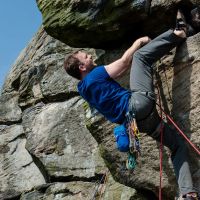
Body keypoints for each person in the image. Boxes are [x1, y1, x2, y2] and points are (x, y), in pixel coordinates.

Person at [64, 9, 199, 200]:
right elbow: (124, 63)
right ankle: (178, 32)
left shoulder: (83, 90)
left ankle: (188, 193)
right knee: (140, 57)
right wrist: (138, 42)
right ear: (82, 67)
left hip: (139, 124)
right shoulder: (94, 75)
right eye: (86, 57)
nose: (90, 57)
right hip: (138, 104)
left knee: (177, 146)